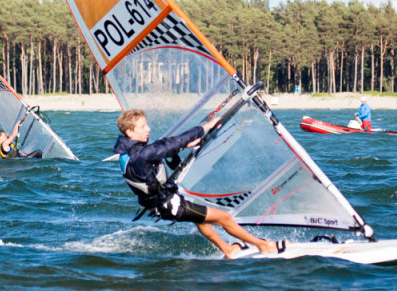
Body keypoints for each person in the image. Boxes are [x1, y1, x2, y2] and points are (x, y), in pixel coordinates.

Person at [113, 109, 280, 259]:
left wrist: (184, 146)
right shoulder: (140, 155)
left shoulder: (127, 154)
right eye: (143, 126)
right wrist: (206, 127)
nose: (148, 129)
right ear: (130, 132)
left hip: (159, 204)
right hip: (168, 204)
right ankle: (262, 245)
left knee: (201, 219)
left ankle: (227, 249)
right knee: (224, 217)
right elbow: (167, 145)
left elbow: (159, 151)